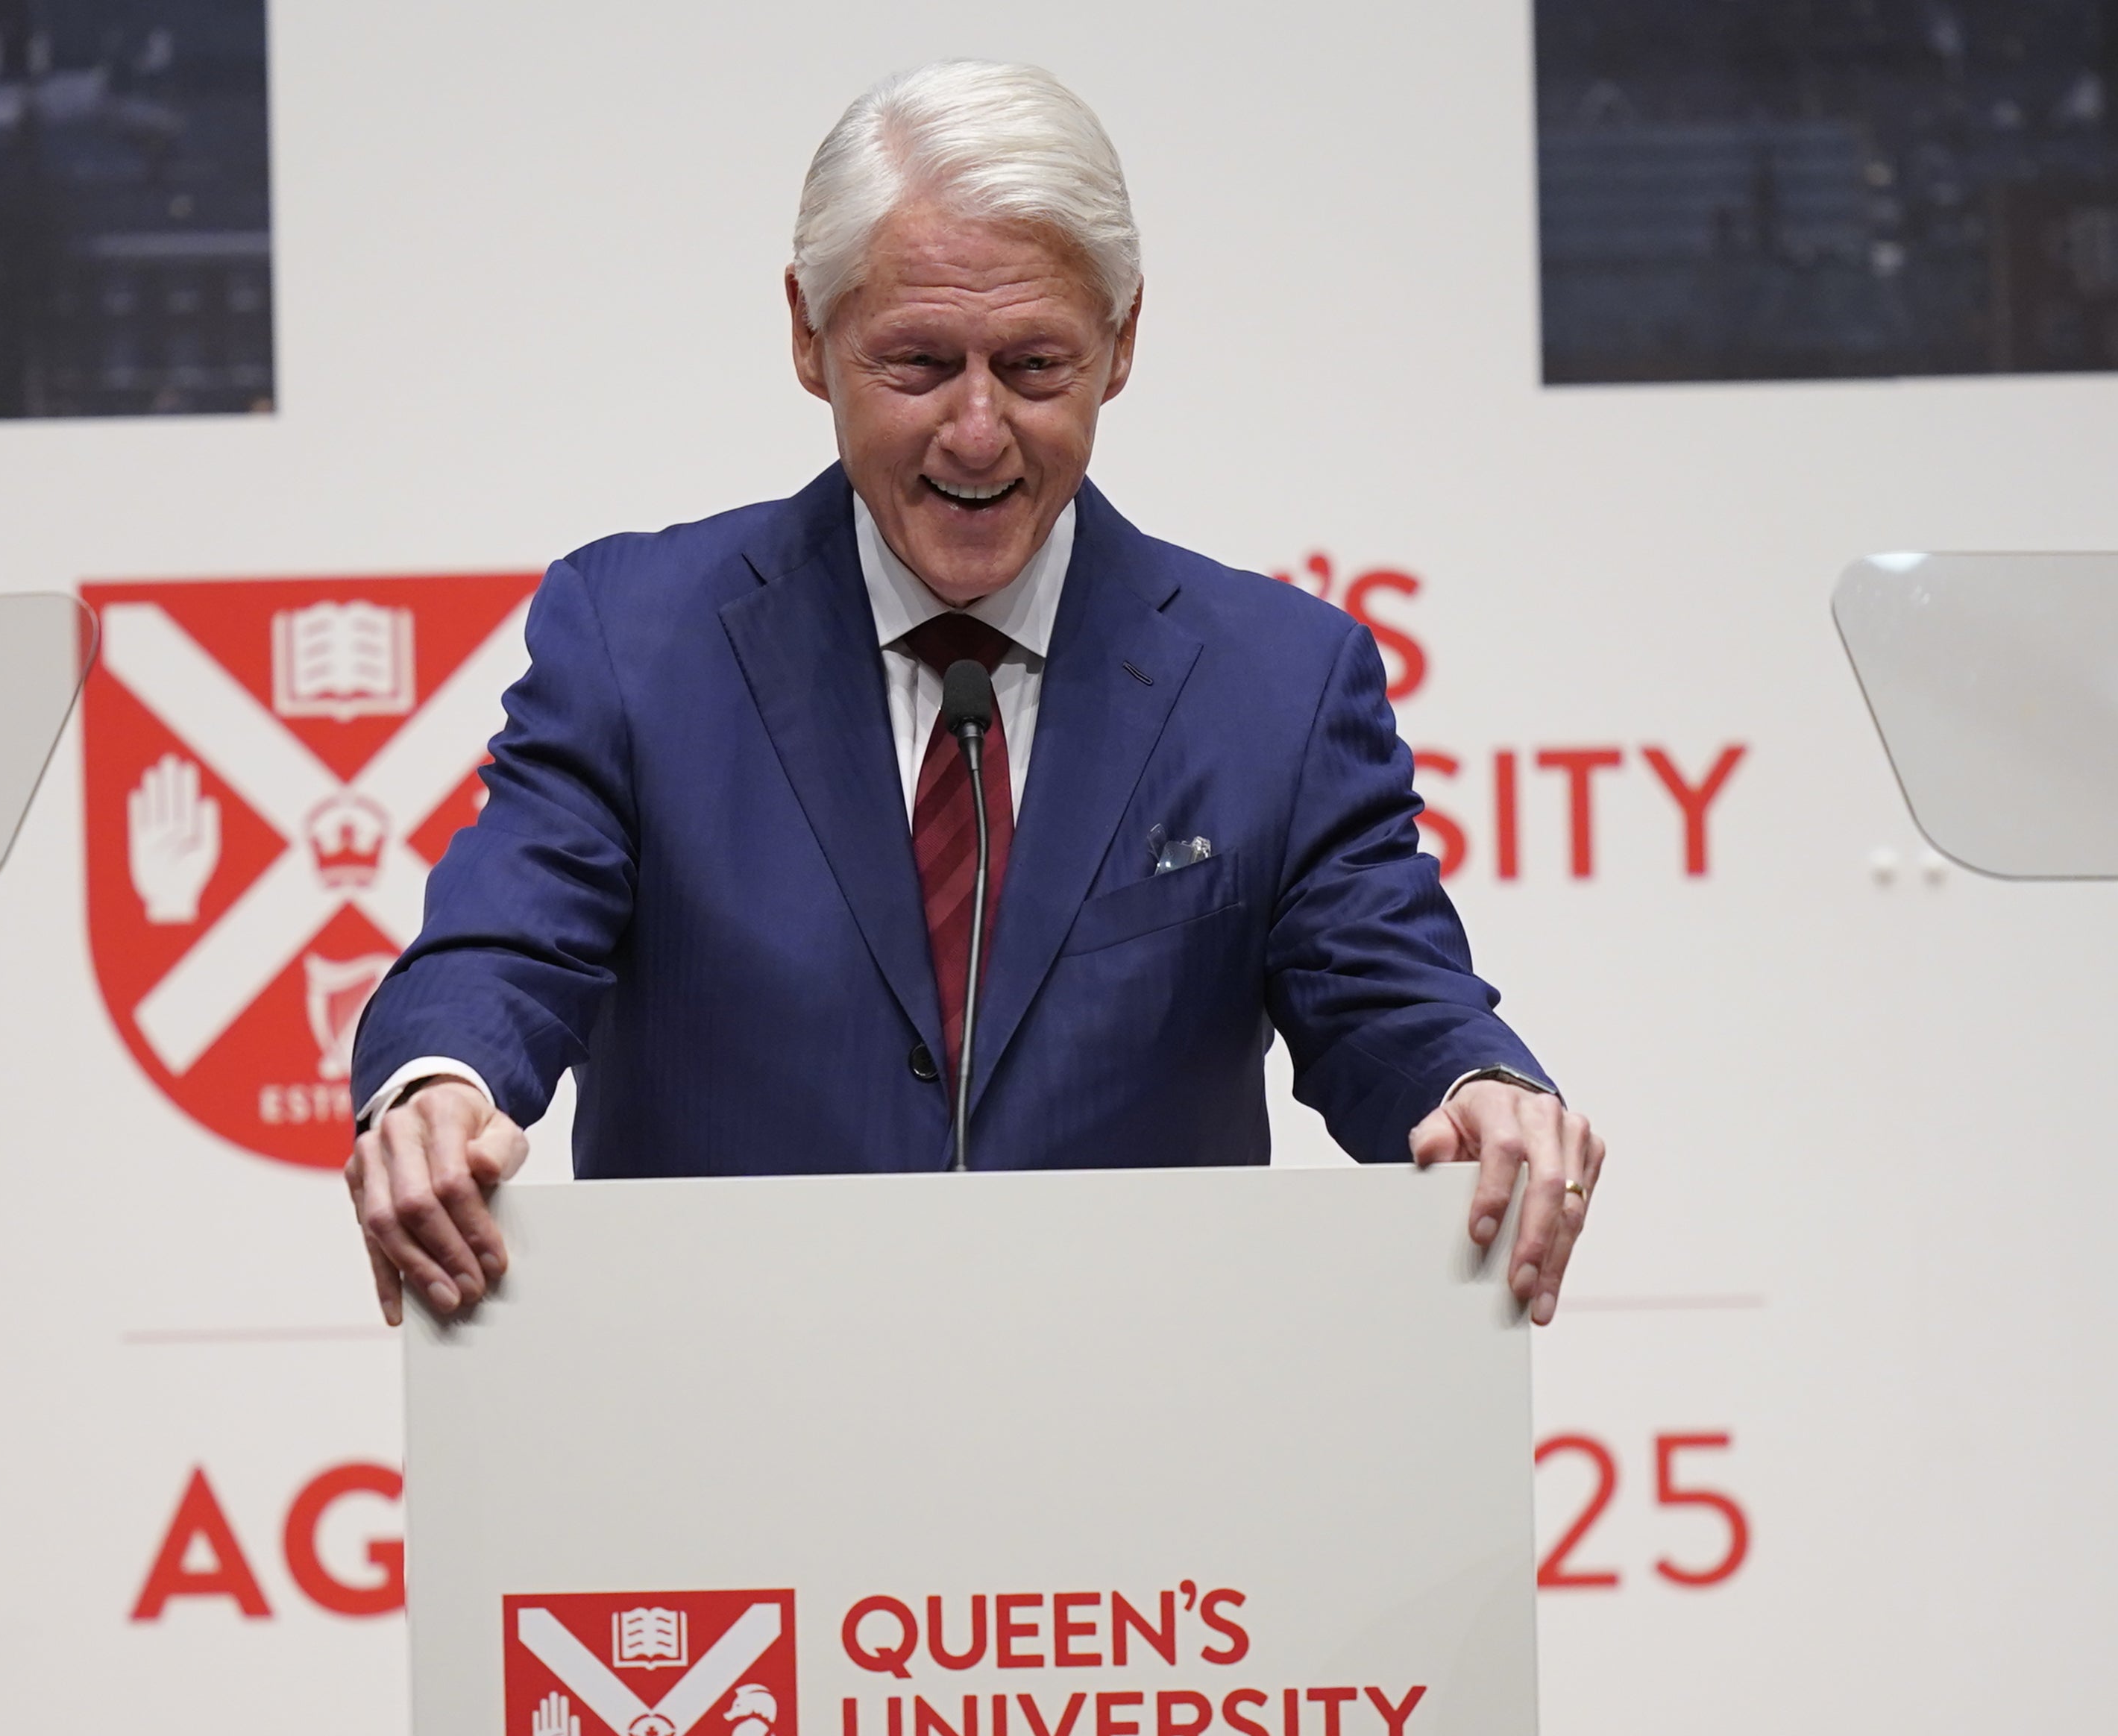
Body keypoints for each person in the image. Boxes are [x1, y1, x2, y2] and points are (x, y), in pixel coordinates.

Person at [347, 59, 1602, 1325]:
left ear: (1123, 345)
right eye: (919, 363)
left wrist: (1476, 1091)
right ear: (806, 333)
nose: (979, 431)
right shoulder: (634, 639)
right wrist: (440, 1089)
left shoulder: (1275, 683)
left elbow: (1387, 996)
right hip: (723, 1430)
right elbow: (504, 940)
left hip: (1135, 1433)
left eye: (1037, 365)